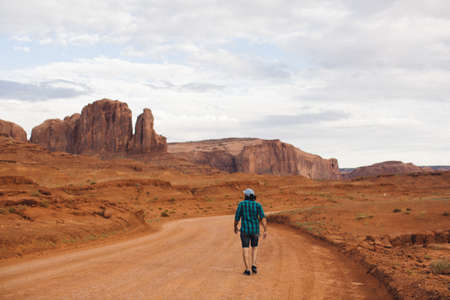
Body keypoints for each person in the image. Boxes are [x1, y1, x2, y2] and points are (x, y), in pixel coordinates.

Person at [234, 188, 267, 276]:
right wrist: (265, 230)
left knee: (245, 248)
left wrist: (235, 226)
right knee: (254, 247)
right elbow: (263, 218)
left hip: (244, 230)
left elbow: (237, 217)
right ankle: (254, 265)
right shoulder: (258, 205)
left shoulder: (241, 204)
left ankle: (248, 269)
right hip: (255, 230)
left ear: (246, 196)